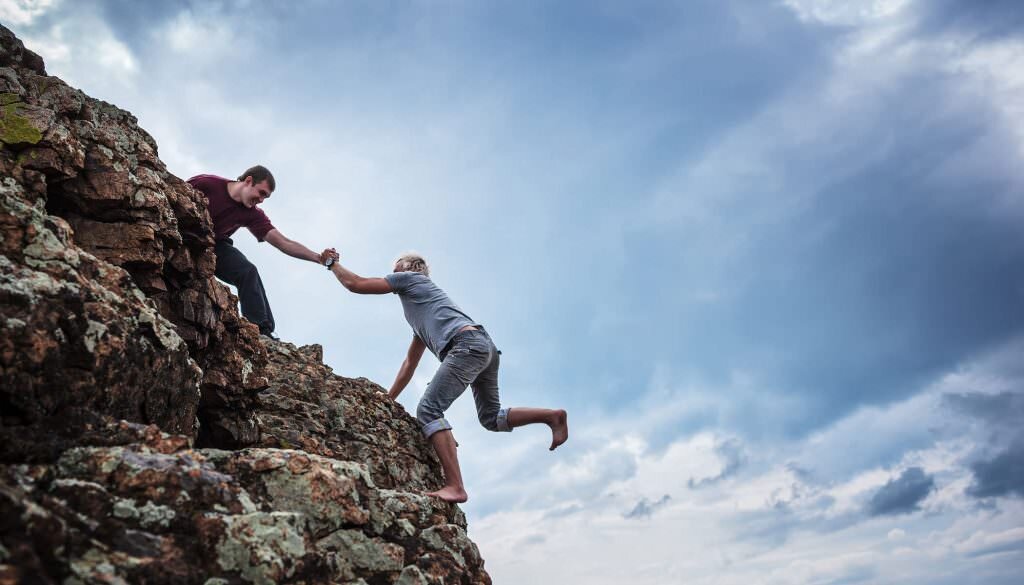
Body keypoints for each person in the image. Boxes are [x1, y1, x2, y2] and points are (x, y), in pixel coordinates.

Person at [322, 250, 568, 503]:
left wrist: (332, 264)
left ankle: (456, 486)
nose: (393, 272)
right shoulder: (421, 310)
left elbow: (356, 284)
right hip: (484, 348)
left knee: (428, 410)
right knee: (491, 418)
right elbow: (409, 364)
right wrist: (388, 398)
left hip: (466, 345)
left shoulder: (411, 279)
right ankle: (551, 416)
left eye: (397, 266)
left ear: (412, 267)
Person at [187, 165, 335, 338]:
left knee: (248, 271)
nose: (262, 200)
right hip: (188, 232)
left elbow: (284, 242)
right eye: (261, 193)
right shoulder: (206, 183)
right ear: (248, 181)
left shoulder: (252, 214)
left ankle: (261, 331)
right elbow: (174, 193)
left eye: (266, 197)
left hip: (214, 244)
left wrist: (318, 258)